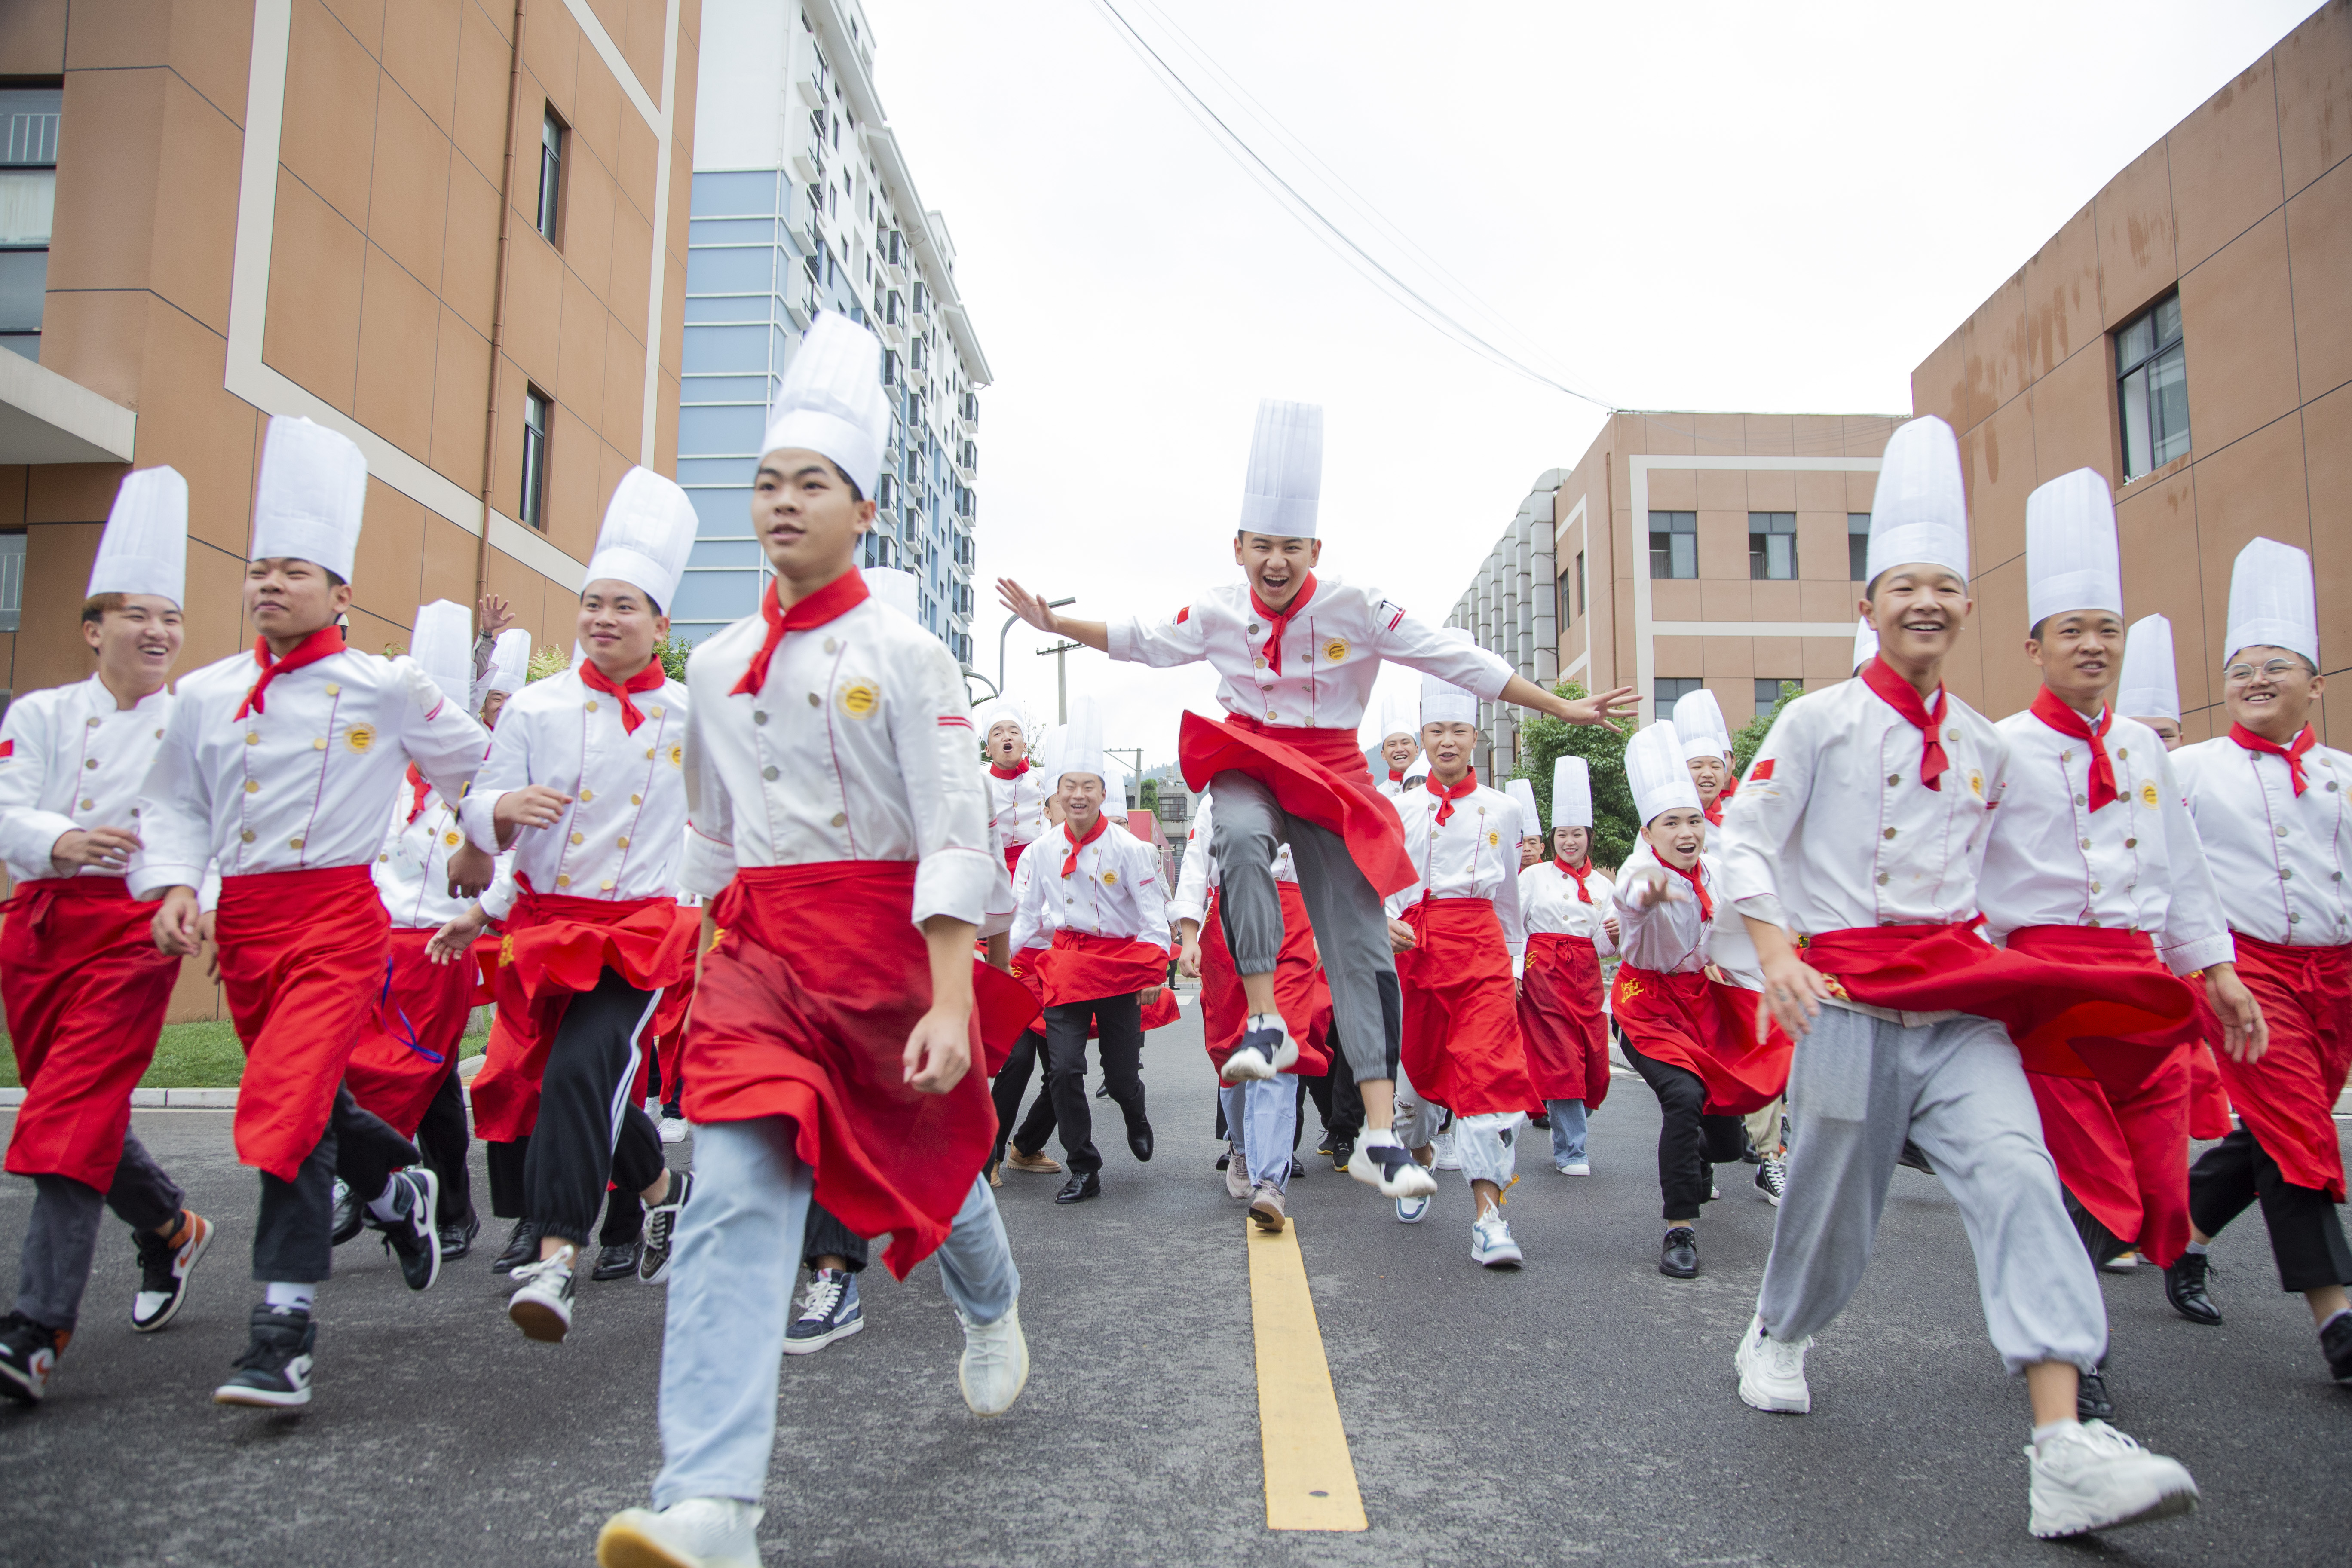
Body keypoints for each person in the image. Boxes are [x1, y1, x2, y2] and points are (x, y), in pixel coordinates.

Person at [1719, 415, 2202, 1540]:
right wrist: (1778, 951)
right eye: (1904, 587)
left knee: (2019, 1175)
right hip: (1844, 993)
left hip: (1960, 998)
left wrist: (2165, 962)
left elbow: (2040, 875)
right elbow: (1746, 837)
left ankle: (2062, 1447)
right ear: (1869, 606)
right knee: (1836, 1196)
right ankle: (1781, 1331)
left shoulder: (1987, 746)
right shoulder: (1817, 721)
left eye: (1944, 585)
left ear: (1969, 606)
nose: (1925, 603)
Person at [598, 314, 1027, 1568]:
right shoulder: (717, 660)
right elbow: (708, 832)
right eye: (769, 484)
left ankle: (991, 1306)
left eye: (814, 484)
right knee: (733, 1193)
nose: (785, 503)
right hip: (761, 958)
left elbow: (953, 828)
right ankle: (712, 1505)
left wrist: (953, 997)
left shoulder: (908, 651)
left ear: (867, 511)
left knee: (933, 1173)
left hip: (888, 953)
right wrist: (686, 960)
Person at [997, 399, 1637, 1208]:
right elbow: (1143, 639)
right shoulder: (1217, 609)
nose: (1275, 561)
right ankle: (1264, 1018)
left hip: (1332, 771)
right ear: (1239, 548)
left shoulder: (1356, 607)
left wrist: (1562, 706)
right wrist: (1056, 621)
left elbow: (1456, 656)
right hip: (1247, 755)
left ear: (1314, 550)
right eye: (1261, 546)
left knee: (1363, 953)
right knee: (1233, 834)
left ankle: (1377, 1132)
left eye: (1290, 547)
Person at [132, 415, 488, 1409]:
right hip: (245, 928)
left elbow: (480, 770)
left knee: (284, 1115)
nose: (269, 585)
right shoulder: (205, 696)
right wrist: (178, 889)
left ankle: (281, 1329)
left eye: (294, 570)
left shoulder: (384, 686)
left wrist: (477, 843)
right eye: (259, 569)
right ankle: (392, 1189)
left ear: (339, 591)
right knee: (301, 1098)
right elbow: (176, 807)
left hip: (340, 922)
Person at [1977, 470, 2260, 1420]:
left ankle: (2048, 1314)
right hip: (2049, 987)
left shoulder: (2143, 749)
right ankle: (2069, 1353)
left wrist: (2215, 972)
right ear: (2036, 646)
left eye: (2107, 628)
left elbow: (2183, 875)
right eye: (2073, 630)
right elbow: (1966, 879)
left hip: (2142, 984)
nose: (2093, 645)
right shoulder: (2001, 747)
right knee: (2090, 1187)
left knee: (2154, 1187)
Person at [437, 468, 699, 1342]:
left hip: (641, 935)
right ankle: (664, 1192)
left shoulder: (693, 719)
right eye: (592, 602)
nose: (602, 618)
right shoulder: (538, 709)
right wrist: (499, 815)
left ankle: (555, 1257)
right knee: (575, 1085)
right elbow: (482, 810)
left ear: (660, 623)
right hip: (546, 930)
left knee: (585, 1071)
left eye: (624, 605)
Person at [0, 469, 215, 1406]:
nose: (158, 632)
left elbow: (211, 825)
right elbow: (6, 804)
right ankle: (171, 1226)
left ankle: (34, 1330)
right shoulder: (43, 715)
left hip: (136, 930)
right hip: (40, 927)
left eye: (170, 617)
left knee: (69, 1113)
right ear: (95, 630)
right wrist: (59, 838)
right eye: (137, 615)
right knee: (72, 1104)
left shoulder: (192, 723)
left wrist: (183, 892)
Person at [2170, 538, 2352, 1386]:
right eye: (2241, 668)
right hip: (2243, 973)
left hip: (2336, 981)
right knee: (2299, 1130)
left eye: (2277, 666)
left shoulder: (2344, 778)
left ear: (2315, 683)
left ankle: (2179, 1239)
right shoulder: (2188, 771)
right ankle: (2338, 1317)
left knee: (2278, 1131)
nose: (2256, 679)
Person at [342, 599, 499, 1262]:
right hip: (372, 946)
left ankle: (379, 1186)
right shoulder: (378, 777)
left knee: (414, 1069)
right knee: (416, 1080)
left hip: (439, 945)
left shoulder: (478, 783)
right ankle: (438, 1203)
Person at [1607, 723, 1791, 1277]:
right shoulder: (1644, 872)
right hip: (1647, 1004)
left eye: (1693, 821)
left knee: (1728, 1135)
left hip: (1703, 999)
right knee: (1683, 1098)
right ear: (1651, 831)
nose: (1686, 832)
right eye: (1672, 824)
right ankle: (1679, 1228)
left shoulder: (1717, 866)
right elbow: (1631, 895)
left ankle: (1705, 1155)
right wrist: (1653, 892)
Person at [1383, 652, 1540, 1266]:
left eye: (1459, 732)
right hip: (1417, 956)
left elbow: (1510, 902)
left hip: (1482, 957)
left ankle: (1489, 1218)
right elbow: (1372, 886)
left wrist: (1518, 966)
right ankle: (1420, 1156)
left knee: (1489, 1082)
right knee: (1417, 1092)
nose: (1447, 742)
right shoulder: (1398, 810)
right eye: (1436, 732)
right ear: (1423, 737)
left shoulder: (1502, 809)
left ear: (1476, 737)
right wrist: (1382, 921)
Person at [1006, 697, 1170, 1205]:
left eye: (1088, 787)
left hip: (1119, 969)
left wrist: (1151, 975)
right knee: (1064, 1069)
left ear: (1103, 792)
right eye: (1069, 787)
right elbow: (1025, 920)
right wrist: (1002, 970)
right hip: (1064, 969)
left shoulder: (1133, 851)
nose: (1078, 796)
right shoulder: (1039, 853)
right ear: (1055, 795)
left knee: (1121, 1076)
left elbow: (1153, 922)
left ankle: (1134, 1112)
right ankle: (1084, 1165)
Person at [1172, 787, 1333, 1229]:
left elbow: (1327, 864)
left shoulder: (1305, 793)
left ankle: (1270, 1183)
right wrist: (1188, 939)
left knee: (1279, 1048)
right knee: (1231, 1054)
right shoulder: (1216, 802)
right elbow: (1194, 867)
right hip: (1229, 920)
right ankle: (1242, 1149)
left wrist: (1324, 929)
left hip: (1295, 921)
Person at [2117, 612, 2236, 1159]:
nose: (2152, 743)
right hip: (2132, 958)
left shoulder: (2201, 777)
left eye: (2162, 733)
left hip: (2197, 950)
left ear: (2180, 736)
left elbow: (2193, 873)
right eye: (2140, 731)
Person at [1516, 755, 1617, 1178]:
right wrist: (1516, 970)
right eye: (1562, 834)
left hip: (1587, 978)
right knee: (1561, 1060)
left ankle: (1569, 1112)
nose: (1569, 841)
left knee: (1593, 1060)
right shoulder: (1534, 878)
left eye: (1577, 834)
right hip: (1544, 975)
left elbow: (1605, 947)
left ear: (1589, 837)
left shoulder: (1603, 887)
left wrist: (1615, 932)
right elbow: (1512, 926)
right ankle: (1571, 1150)